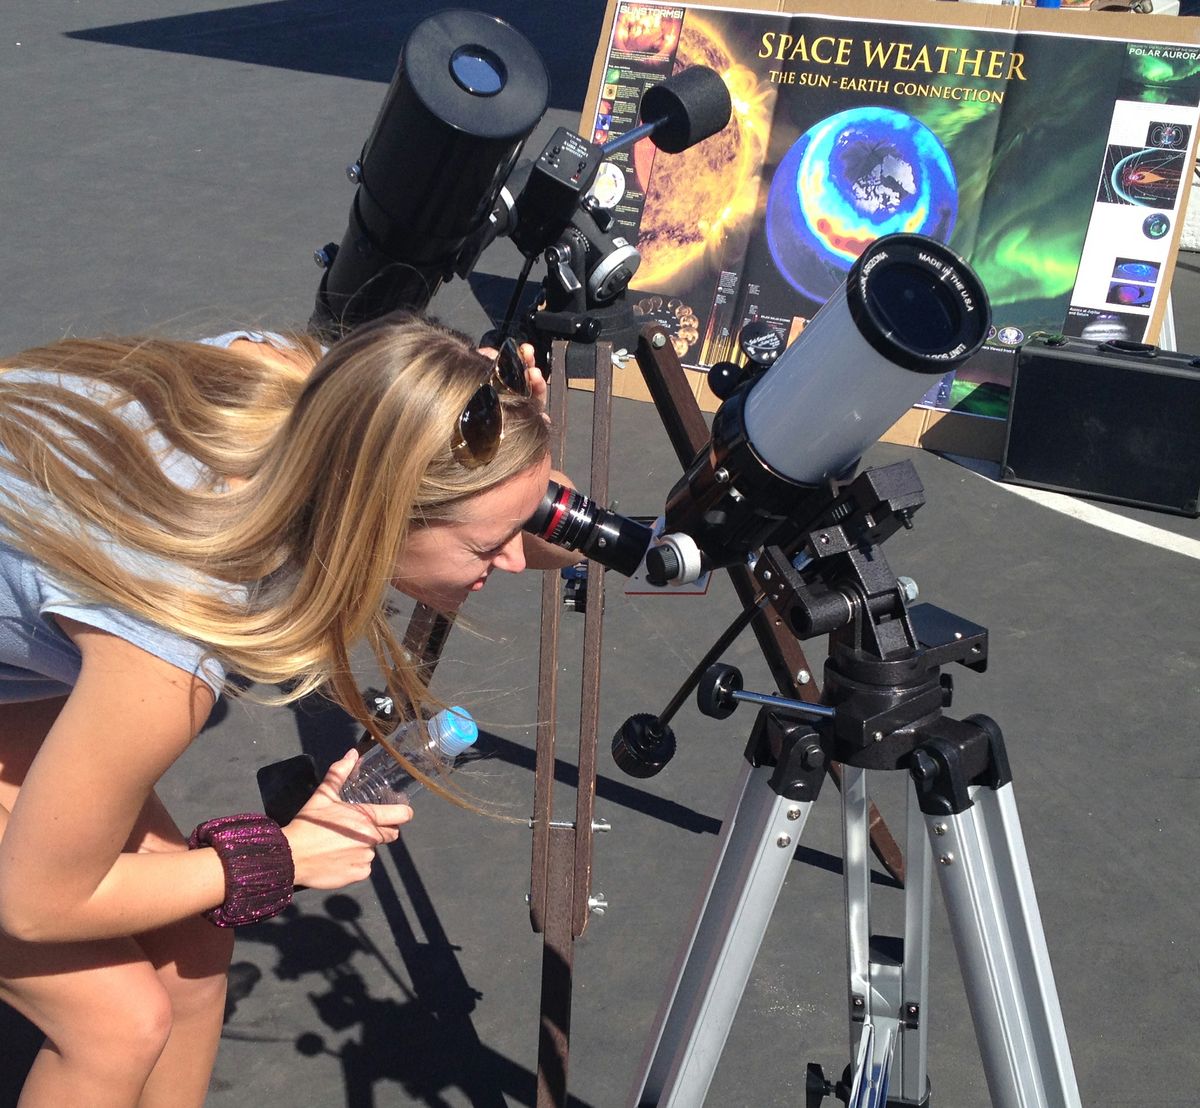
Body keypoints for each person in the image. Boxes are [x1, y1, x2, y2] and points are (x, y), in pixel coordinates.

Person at [0, 310, 573, 1107]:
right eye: (488, 547)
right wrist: (281, 859)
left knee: (194, 952)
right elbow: (35, 907)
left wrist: (513, 445)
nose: (515, 562)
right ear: (380, 517)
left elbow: (539, 533)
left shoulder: (314, 392)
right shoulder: (175, 634)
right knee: (113, 1023)